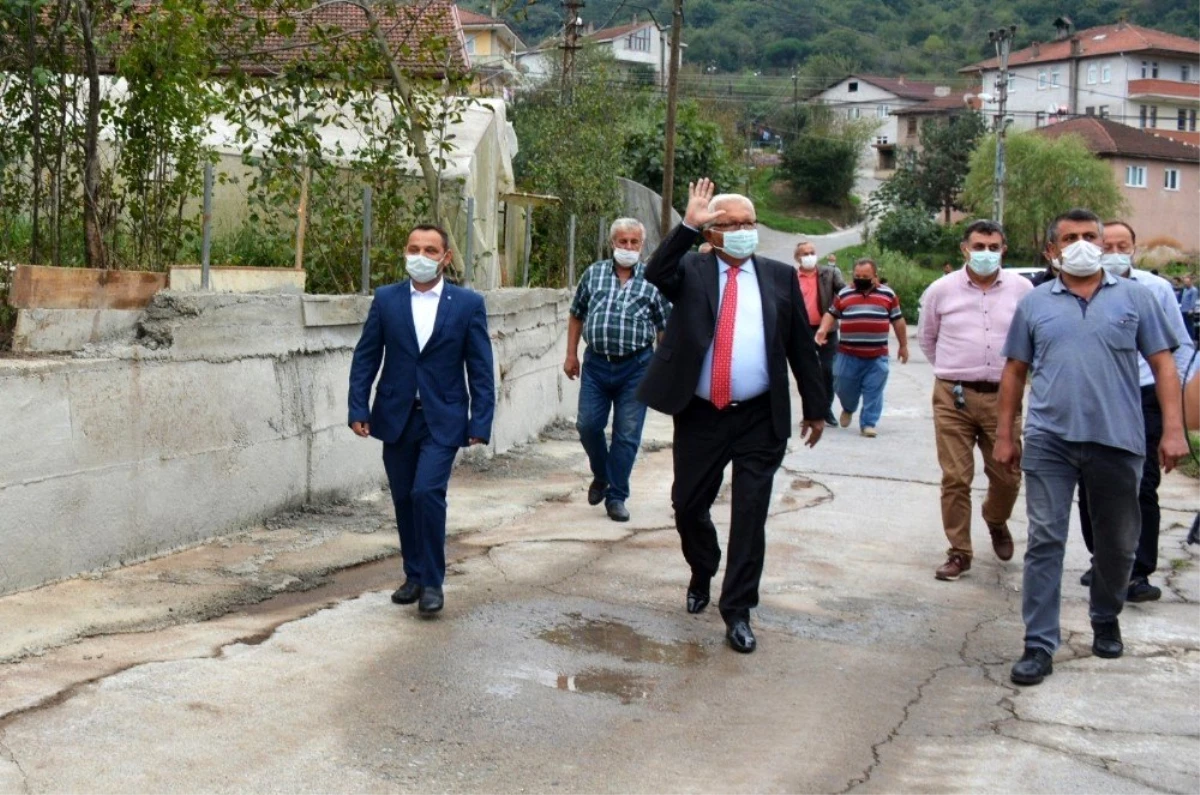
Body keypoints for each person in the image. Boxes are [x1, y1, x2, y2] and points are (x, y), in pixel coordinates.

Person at [995, 209, 1188, 686]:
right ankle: (1038, 644)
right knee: (1045, 541)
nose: (1081, 244)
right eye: (1069, 238)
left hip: (1118, 440)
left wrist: (1173, 429)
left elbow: (1164, 366)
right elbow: (1015, 372)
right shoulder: (1035, 303)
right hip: (1049, 441)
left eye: (1089, 236)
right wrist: (1006, 433)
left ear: (1102, 244)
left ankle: (1105, 614)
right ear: (1051, 250)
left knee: (1118, 544)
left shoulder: (1137, 298)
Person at [636, 178, 827, 654]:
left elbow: (802, 349)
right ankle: (703, 567)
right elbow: (654, 273)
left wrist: (816, 406)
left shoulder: (780, 277)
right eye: (731, 224)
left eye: (749, 222)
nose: (743, 230)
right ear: (712, 233)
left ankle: (738, 610)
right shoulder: (692, 271)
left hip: (760, 417)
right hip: (701, 415)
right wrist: (687, 226)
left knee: (750, 514)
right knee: (687, 506)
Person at [348, 224, 495, 616]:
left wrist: (480, 420)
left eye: (431, 250)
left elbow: (481, 367)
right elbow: (366, 358)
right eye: (414, 248)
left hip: (443, 418)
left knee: (426, 493)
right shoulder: (386, 300)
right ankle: (412, 575)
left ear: (445, 258)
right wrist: (357, 408)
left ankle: (432, 581)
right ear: (404, 252)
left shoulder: (466, 304)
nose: (421, 256)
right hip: (396, 416)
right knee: (403, 498)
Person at [1073, 221, 1196, 600]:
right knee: (1092, 484)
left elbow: (1180, 347)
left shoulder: (1156, 289)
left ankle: (1138, 571)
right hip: (1095, 398)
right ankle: (1102, 560)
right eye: (1105, 245)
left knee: (1141, 485)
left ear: (1134, 247)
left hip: (1144, 397)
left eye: (1121, 245)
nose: (1113, 253)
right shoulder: (1081, 289)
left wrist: (1175, 406)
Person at [918, 220, 1033, 582]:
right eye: (979, 246)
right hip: (954, 396)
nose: (986, 253)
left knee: (1008, 476)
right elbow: (927, 339)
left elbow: (1032, 338)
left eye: (994, 246)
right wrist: (956, 370)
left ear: (1004, 250)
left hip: (1004, 397)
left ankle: (995, 520)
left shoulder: (1023, 289)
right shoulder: (940, 290)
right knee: (955, 477)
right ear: (964, 249)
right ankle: (959, 552)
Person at [564, 218, 671, 522]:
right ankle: (602, 473)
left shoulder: (654, 279)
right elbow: (576, 315)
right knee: (587, 425)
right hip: (596, 364)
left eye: (633, 242)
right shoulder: (594, 274)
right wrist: (571, 354)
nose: (627, 247)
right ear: (612, 243)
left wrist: (664, 371)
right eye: (622, 242)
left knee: (626, 434)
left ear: (642, 245)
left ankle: (616, 496)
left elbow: (665, 327)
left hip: (637, 367)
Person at [815, 258, 909, 437]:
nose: (861, 278)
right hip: (848, 355)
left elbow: (898, 320)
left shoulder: (888, 295)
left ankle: (868, 423)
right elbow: (831, 314)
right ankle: (849, 407)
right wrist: (822, 329)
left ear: (875, 276)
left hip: (877, 356)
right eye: (857, 275)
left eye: (865, 276)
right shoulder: (844, 294)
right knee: (843, 387)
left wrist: (903, 345)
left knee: (874, 390)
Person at [793, 237, 846, 425]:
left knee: (827, 371)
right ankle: (809, 412)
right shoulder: (791, 276)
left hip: (827, 329)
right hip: (802, 330)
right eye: (805, 254)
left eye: (812, 253)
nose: (810, 257)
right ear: (798, 258)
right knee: (806, 372)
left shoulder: (829, 273)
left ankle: (825, 410)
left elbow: (844, 293)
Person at [1179, 274, 1198, 341]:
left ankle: (1192, 338)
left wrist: (1191, 309)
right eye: (1185, 282)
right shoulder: (1185, 289)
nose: (1185, 283)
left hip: (1189, 311)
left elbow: (1193, 301)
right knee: (1184, 325)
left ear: (1190, 282)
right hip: (1183, 310)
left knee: (1189, 326)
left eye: (1187, 282)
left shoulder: (1193, 290)